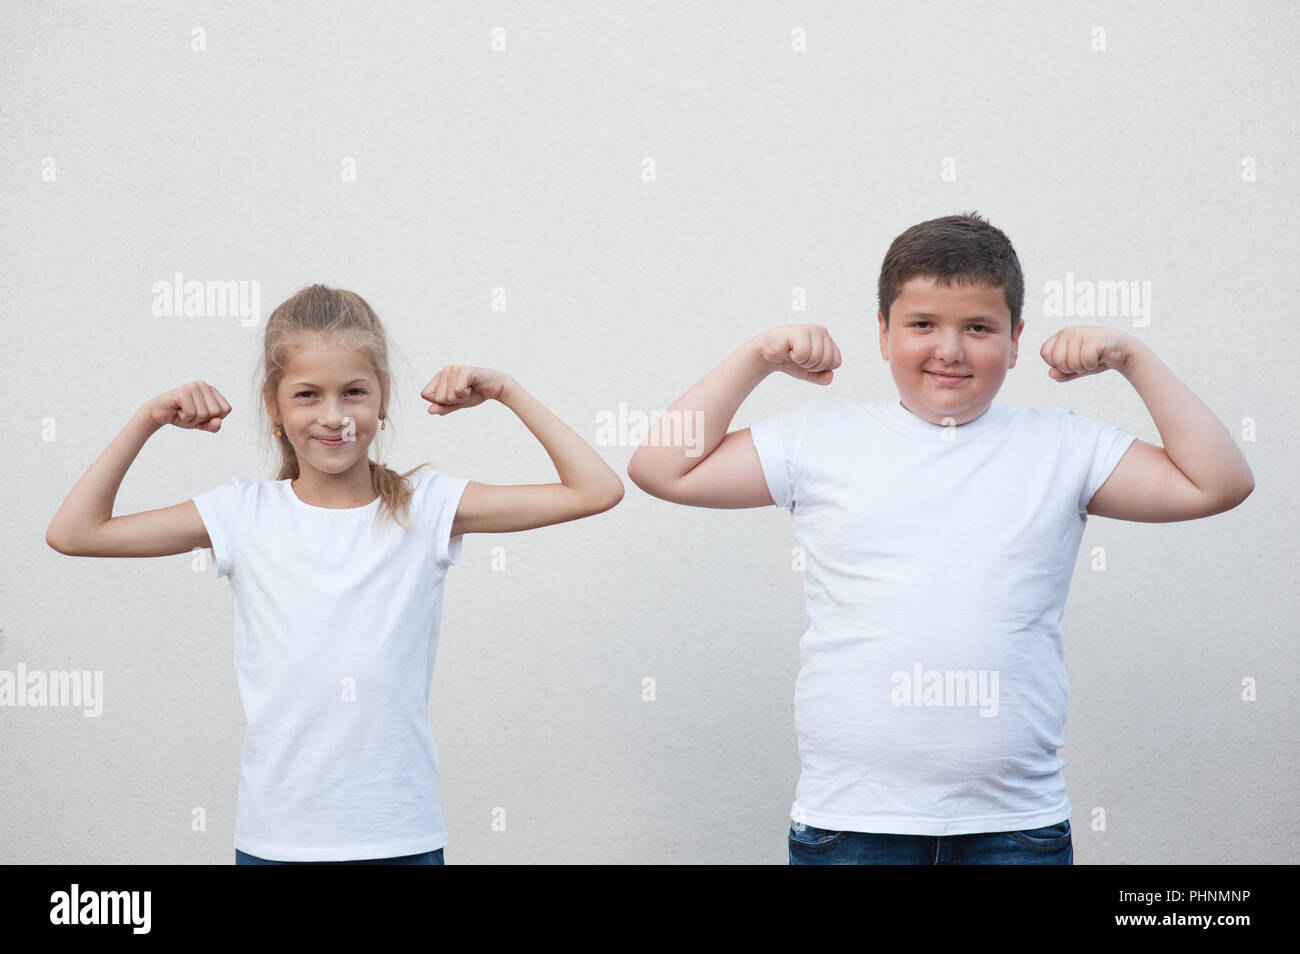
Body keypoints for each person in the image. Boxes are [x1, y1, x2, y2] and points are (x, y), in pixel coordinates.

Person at [626, 212, 1254, 865]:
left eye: (978, 328)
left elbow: (1219, 484)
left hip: (1015, 827)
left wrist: (1134, 360)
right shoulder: (818, 440)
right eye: (923, 324)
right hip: (851, 822)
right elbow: (660, 466)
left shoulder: (1064, 445)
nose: (949, 349)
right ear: (883, 332)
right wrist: (757, 356)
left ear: (1015, 341)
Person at [45, 283, 624, 864]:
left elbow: (596, 490)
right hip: (278, 840)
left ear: (383, 397)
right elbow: (75, 532)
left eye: (354, 393)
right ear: (273, 405)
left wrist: (507, 391)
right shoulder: (242, 514)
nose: (333, 417)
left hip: (401, 837)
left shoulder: (427, 507)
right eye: (306, 395)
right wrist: (146, 419)